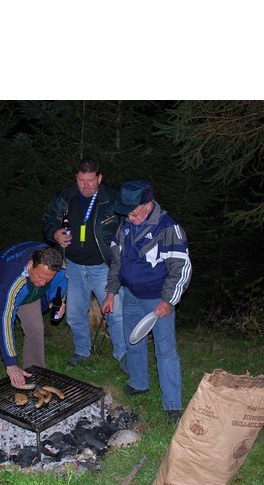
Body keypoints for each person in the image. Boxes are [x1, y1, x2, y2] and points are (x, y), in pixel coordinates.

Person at [102, 180, 192, 424]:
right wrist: (111, 292)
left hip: (157, 299)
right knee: (133, 341)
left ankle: (172, 404)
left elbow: (182, 268)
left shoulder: (168, 227)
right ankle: (139, 382)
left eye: (133, 213)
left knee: (165, 351)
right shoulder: (126, 226)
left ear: (148, 204)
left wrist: (168, 300)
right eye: (127, 213)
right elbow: (117, 262)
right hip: (131, 295)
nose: (129, 218)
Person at [42, 158, 126, 371]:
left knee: (115, 313)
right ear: (76, 178)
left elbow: (128, 226)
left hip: (103, 268)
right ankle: (81, 350)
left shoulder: (112, 198)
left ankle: (123, 354)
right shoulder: (65, 196)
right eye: (81, 180)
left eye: (90, 180)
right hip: (72, 267)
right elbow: (48, 219)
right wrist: (54, 233)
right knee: (74, 314)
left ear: (99, 178)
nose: (86, 185)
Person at [0, 242, 67, 388]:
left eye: (47, 280)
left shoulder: (58, 266)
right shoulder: (11, 276)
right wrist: (11, 363)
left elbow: (61, 283)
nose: (43, 283)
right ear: (30, 264)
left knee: (35, 328)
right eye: (40, 277)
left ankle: (35, 372)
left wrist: (58, 301)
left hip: (28, 291)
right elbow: (5, 318)